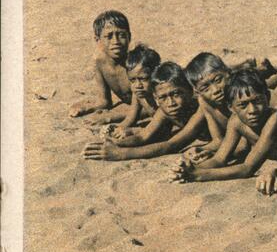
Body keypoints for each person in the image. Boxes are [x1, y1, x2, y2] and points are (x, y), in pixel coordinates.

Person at [169, 69, 277, 182]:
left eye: (257, 101)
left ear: (267, 97)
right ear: (231, 107)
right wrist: (189, 169)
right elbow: (219, 159)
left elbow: (248, 168)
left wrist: (197, 175)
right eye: (243, 105)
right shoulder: (236, 121)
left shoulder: (273, 120)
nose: (252, 110)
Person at [82, 62, 210, 161]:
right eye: (163, 97)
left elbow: (171, 145)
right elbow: (143, 136)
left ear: (190, 91)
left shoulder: (201, 108)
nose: (170, 103)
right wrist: (117, 143)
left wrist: (121, 154)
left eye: (176, 94)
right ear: (156, 98)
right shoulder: (165, 110)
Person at [70, 10, 133, 118]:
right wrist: (86, 109)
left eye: (121, 35)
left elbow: (153, 107)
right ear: (97, 40)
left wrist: (110, 117)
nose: (116, 41)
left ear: (129, 37)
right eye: (109, 36)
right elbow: (105, 101)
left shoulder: (136, 63)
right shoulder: (100, 63)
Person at [101, 44, 161, 139]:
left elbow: (164, 129)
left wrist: (133, 131)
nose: (138, 85)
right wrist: (116, 127)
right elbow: (131, 119)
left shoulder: (162, 96)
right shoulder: (138, 94)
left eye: (143, 79)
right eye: (132, 80)